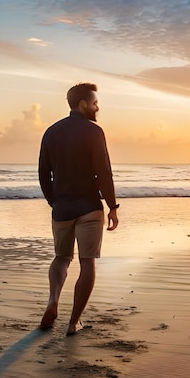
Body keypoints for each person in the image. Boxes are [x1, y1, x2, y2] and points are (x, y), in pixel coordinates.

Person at [38, 82, 119, 336]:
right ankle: (74, 322)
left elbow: (43, 174)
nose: (98, 107)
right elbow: (103, 172)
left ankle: (53, 301)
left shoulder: (51, 132)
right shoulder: (94, 132)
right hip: (89, 209)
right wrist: (112, 206)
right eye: (95, 102)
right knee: (87, 262)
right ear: (83, 104)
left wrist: (55, 201)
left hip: (62, 209)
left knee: (61, 258)